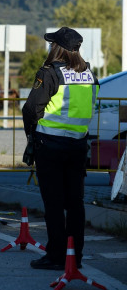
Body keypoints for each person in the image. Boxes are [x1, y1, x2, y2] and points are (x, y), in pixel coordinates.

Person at [22, 27, 99, 270]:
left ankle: (55, 256)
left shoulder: (50, 73)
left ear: (57, 48)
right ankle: (74, 257)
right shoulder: (89, 74)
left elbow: (31, 108)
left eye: (51, 44)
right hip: (77, 145)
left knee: (54, 204)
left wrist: (30, 133)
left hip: (50, 144)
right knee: (75, 204)